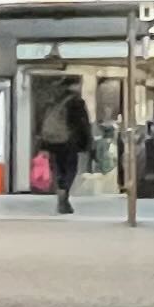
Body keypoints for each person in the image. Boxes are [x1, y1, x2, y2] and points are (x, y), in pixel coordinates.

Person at [51, 84, 94, 215]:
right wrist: (88, 142)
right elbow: (83, 123)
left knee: (60, 168)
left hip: (56, 141)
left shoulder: (57, 102)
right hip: (71, 142)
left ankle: (61, 192)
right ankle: (64, 192)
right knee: (71, 169)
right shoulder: (77, 103)